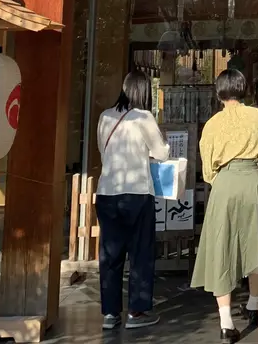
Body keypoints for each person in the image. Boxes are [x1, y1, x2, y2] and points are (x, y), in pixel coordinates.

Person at [191, 69, 258, 342]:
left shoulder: (212, 124)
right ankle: (254, 304)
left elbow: (208, 169)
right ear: (243, 88)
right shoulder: (257, 115)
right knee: (257, 243)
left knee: (221, 248)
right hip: (253, 183)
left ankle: (225, 323)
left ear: (218, 92)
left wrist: (221, 179)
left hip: (224, 185)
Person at [96, 71, 169, 331]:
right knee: (140, 252)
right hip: (137, 192)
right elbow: (161, 152)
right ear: (144, 92)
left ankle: (110, 314)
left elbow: (102, 151)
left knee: (110, 254)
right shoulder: (144, 117)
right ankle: (137, 312)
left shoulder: (105, 116)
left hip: (106, 191)